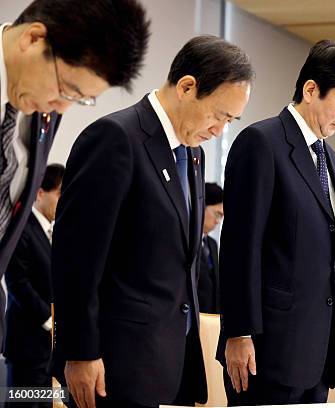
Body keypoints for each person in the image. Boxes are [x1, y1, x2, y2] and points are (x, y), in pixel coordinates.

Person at [52, 35, 253, 408]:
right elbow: (75, 260)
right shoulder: (115, 138)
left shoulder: (192, 156)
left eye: (231, 120)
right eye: (219, 114)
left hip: (173, 362)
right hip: (116, 364)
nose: (221, 129)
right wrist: (79, 352)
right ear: (187, 87)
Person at [218, 39, 335, 405]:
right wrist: (239, 333)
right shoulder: (261, 142)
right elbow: (240, 246)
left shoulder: (329, 157)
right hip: (266, 351)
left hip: (313, 355)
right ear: (311, 90)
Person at [0, 0, 150, 347]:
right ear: (33, 39)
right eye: (67, 89)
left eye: (80, 99)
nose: (63, 107)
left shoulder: (41, 110)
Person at [4, 164, 64, 407]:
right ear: (40, 193)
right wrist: (48, 319)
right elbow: (17, 282)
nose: (64, 201)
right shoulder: (22, 228)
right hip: (27, 344)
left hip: (46, 350)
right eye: (60, 194)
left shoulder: (53, 232)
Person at [198, 182, 223, 314]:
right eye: (217, 214)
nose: (218, 221)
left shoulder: (212, 244)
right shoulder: (188, 241)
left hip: (210, 320)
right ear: (203, 207)